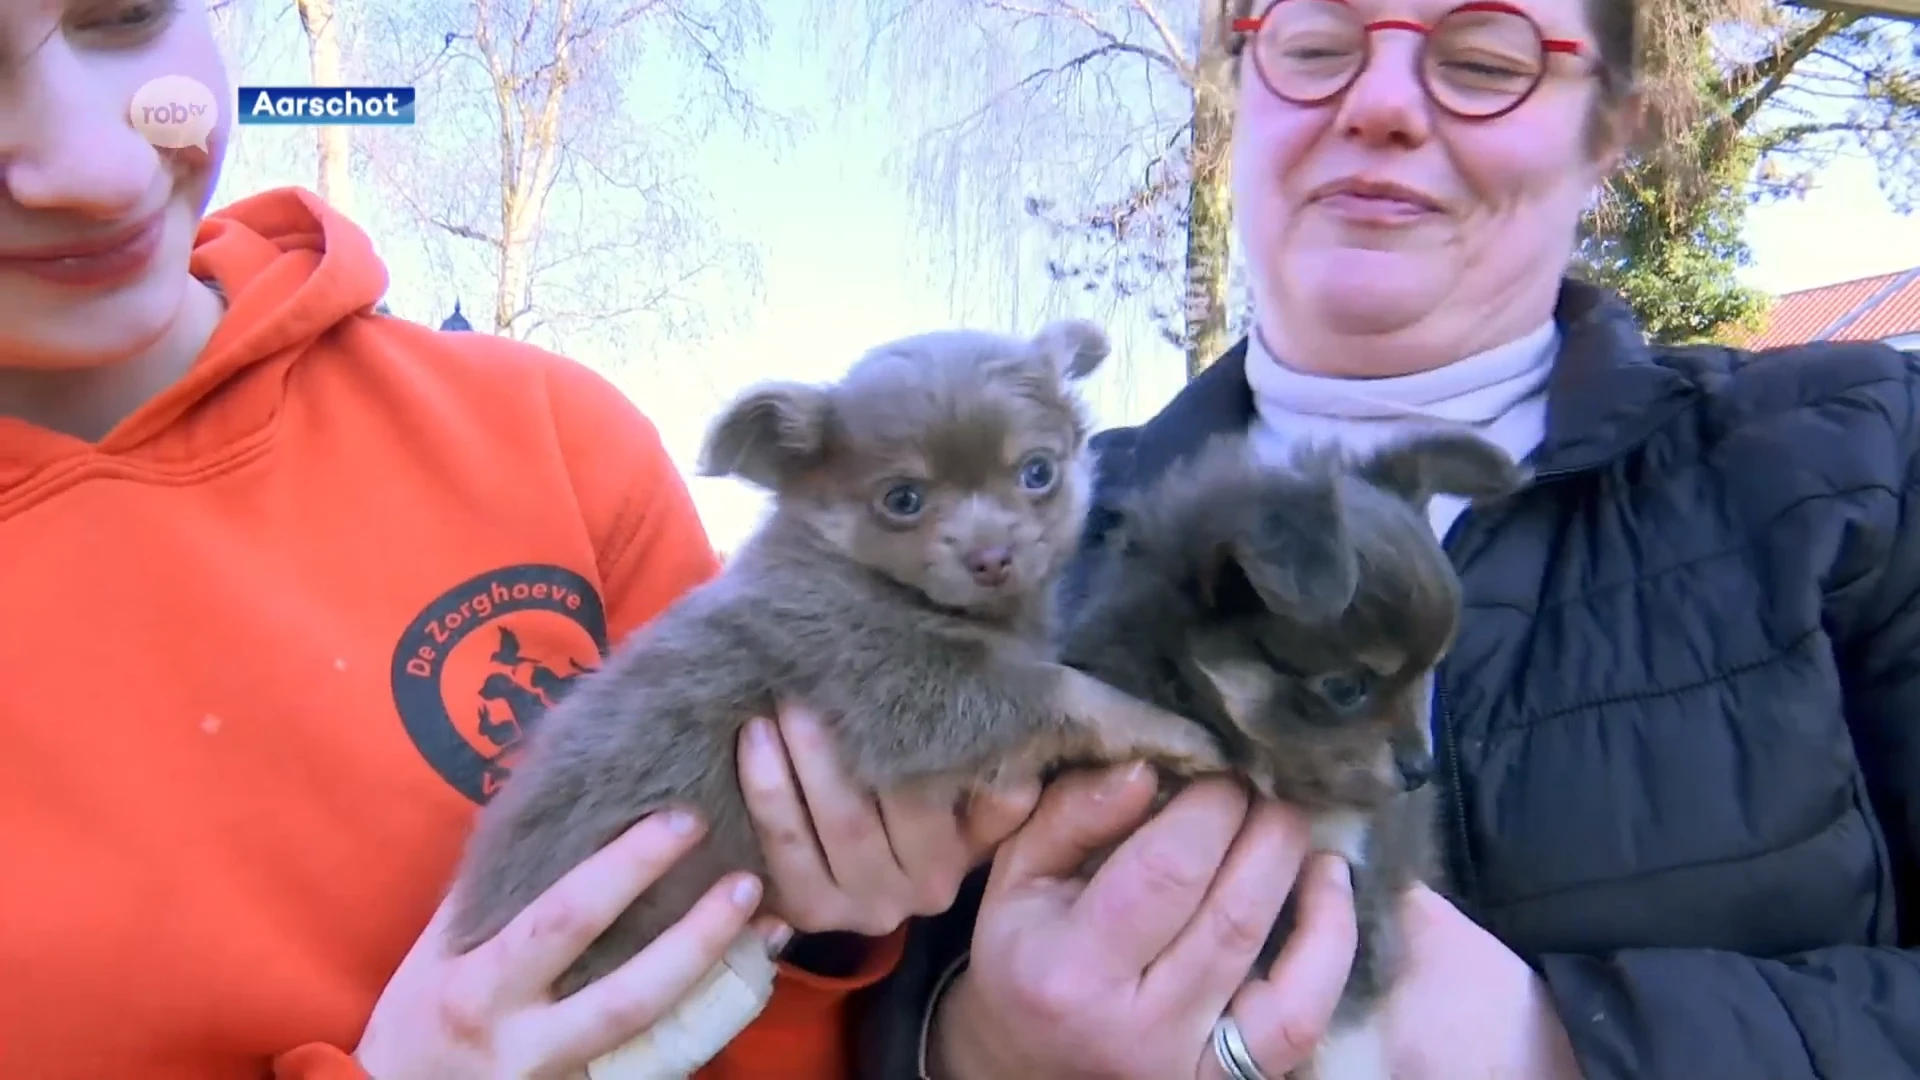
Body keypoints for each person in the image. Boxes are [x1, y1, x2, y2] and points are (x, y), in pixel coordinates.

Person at [870, 0, 1920, 1076]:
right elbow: (837, 969)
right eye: (1318, 47)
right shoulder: (1009, 545)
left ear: (1605, 135)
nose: (1378, 103)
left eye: (1482, 59)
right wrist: (965, 1044)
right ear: (1245, 95)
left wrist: (1553, 1044)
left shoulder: (1865, 455)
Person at [0, 2, 1035, 1077]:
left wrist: (827, 928)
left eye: (120, 12)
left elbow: (789, 1027)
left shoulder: (548, 443)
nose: (98, 170)